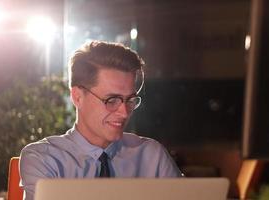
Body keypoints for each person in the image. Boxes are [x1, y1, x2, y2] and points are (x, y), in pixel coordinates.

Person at [19, 40, 183, 200]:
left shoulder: (151, 155)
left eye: (130, 100)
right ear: (77, 97)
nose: (124, 112)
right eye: (111, 100)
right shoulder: (45, 159)